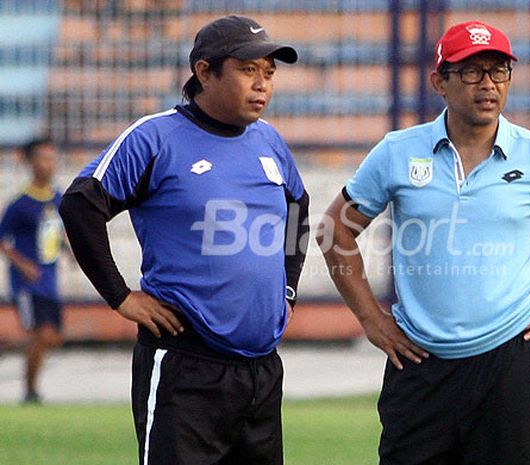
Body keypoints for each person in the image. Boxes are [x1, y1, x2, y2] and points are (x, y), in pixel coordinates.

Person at [316, 20, 530, 465]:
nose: (487, 84)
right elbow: (335, 230)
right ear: (439, 82)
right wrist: (370, 318)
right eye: (471, 71)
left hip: (510, 364)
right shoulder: (397, 152)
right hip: (419, 364)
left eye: (498, 71)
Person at [59, 15, 309, 465]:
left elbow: (298, 208)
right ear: (204, 71)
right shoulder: (156, 137)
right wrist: (120, 297)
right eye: (248, 70)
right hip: (186, 366)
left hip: (262, 372)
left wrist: (287, 287)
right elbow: (80, 205)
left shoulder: (269, 142)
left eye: (269, 73)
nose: (262, 85)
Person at [0, 138, 64, 404]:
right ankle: (30, 390)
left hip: (50, 279)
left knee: (52, 337)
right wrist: (22, 263)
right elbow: (3, 238)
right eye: (42, 157)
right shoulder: (21, 204)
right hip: (27, 283)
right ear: (30, 162)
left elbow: (56, 232)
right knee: (42, 333)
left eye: (52, 157)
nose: (48, 163)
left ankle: (25, 376)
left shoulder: (58, 199)